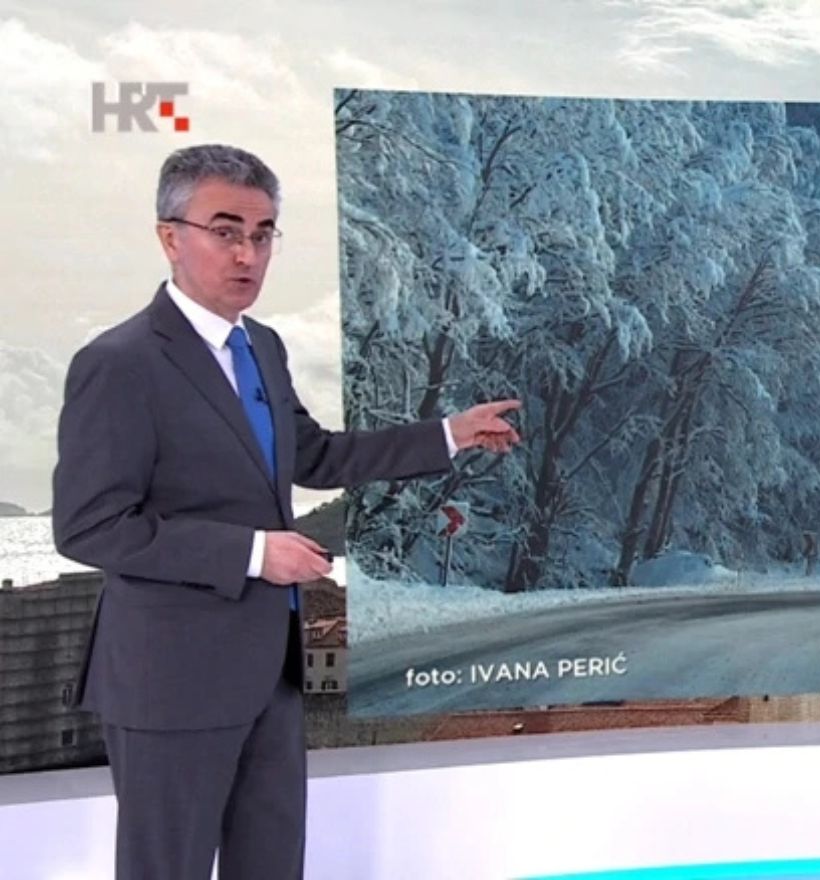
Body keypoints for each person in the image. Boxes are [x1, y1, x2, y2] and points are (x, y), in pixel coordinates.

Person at [52, 143, 520, 880]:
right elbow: (89, 525)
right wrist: (252, 554)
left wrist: (448, 435)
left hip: (270, 677)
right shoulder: (119, 364)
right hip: (170, 681)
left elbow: (316, 456)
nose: (248, 253)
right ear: (170, 236)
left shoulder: (262, 348)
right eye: (225, 231)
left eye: (263, 233)